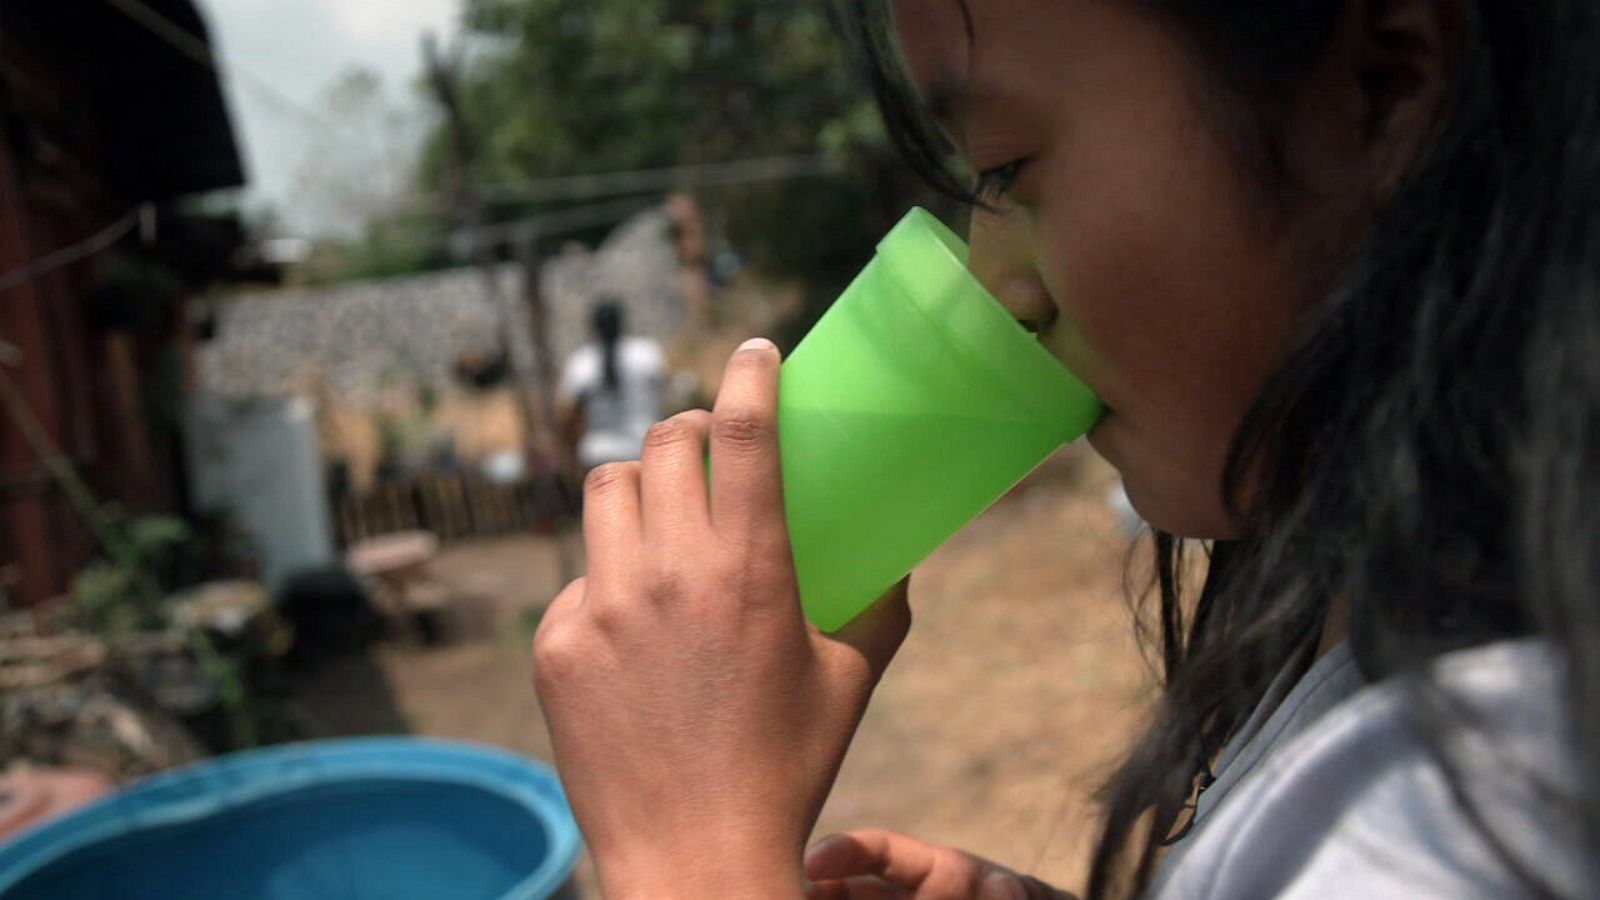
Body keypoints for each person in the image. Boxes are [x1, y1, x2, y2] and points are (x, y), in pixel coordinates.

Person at [531, 2, 1598, 898]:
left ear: (1381, 85)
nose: (1000, 282)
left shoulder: (1464, 824)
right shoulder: (1410, 617)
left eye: (1010, 164)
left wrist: (696, 857)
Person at [556, 299, 666, 473]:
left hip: (600, 454)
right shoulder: (647, 353)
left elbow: (570, 416)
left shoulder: (582, 363)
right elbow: (664, 394)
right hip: (645, 446)